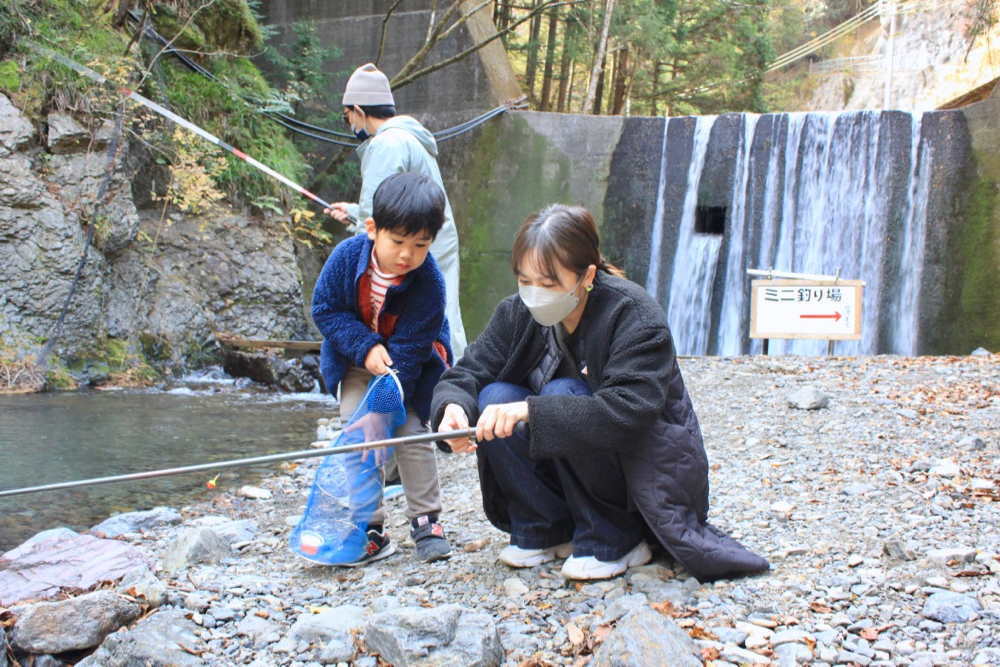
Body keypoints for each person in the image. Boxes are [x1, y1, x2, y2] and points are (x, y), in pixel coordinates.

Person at [431, 204, 770, 581]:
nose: (534, 294)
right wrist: (452, 408)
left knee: (559, 393)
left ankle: (614, 538)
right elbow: (470, 370)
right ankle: (545, 529)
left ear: (587, 275)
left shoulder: (634, 315)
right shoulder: (517, 313)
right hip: (573, 466)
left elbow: (627, 414)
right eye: (525, 281)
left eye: (548, 284)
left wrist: (530, 410)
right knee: (493, 399)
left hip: (640, 472)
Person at [312, 172, 454, 565]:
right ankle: (369, 528)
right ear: (373, 229)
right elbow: (324, 309)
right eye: (398, 242)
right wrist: (364, 346)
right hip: (357, 363)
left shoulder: (429, 283)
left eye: (420, 245)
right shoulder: (346, 258)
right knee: (358, 432)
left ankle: (426, 520)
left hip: (409, 369)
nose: (407, 255)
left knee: (410, 432)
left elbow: (411, 354)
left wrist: (383, 410)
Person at [324, 63, 468, 359]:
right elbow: (398, 207)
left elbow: (375, 218)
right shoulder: (408, 137)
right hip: (428, 242)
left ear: (358, 111)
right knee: (444, 321)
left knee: (424, 329)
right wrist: (353, 212)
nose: (349, 123)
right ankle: (458, 379)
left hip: (410, 250)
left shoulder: (385, 144)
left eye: (347, 116)